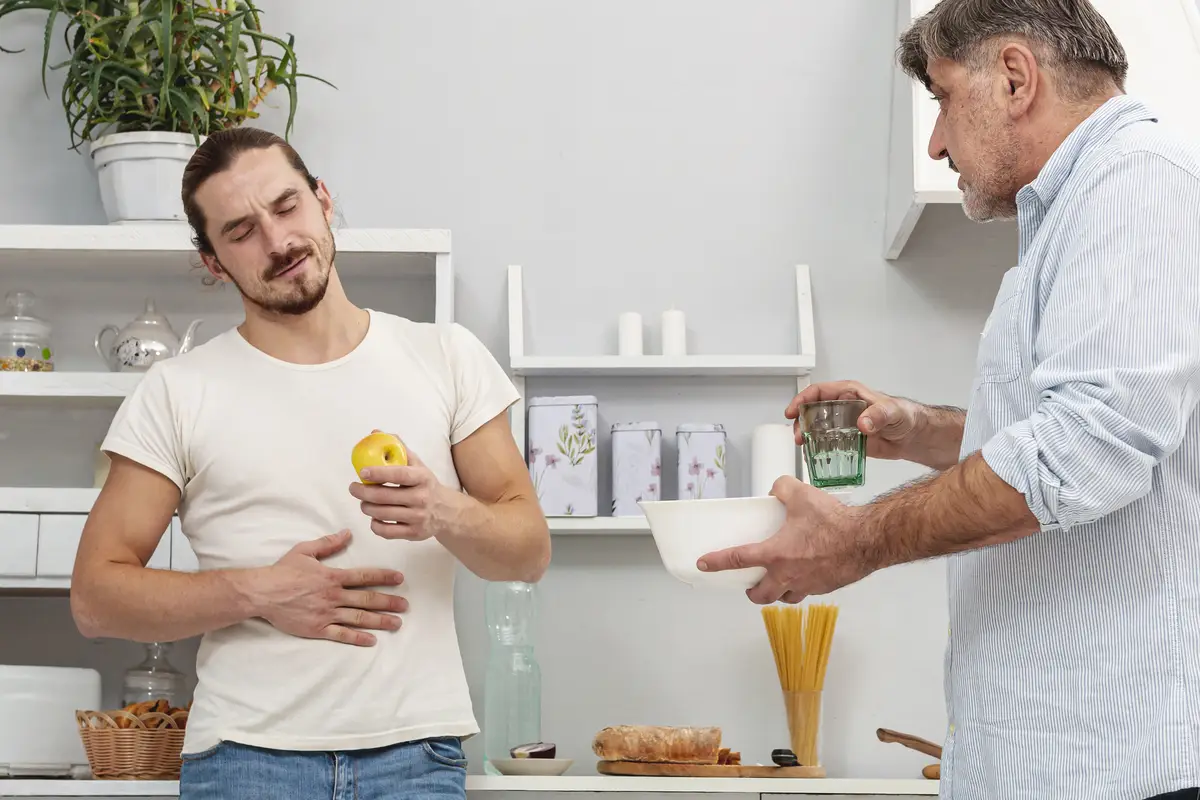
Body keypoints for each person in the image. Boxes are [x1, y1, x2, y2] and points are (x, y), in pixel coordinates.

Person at [697, 1, 1200, 799]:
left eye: (939, 95)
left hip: (1115, 771)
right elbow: (1077, 427)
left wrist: (855, 541)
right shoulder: (1079, 211)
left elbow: (1081, 452)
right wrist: (923, 429)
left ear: (1014, 77)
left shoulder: (1135, 184)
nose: (935, 142)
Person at [70, 127, 551, 800]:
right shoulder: (177, 391)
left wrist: (444, 509)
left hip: (416, 756)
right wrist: (260, 594)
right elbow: (96, 597)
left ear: (323, 200)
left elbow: (527, 552)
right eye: (240, 230)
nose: (278, 241)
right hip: (245, 760)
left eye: (286, 205)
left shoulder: (446, 356)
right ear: (212, 261)